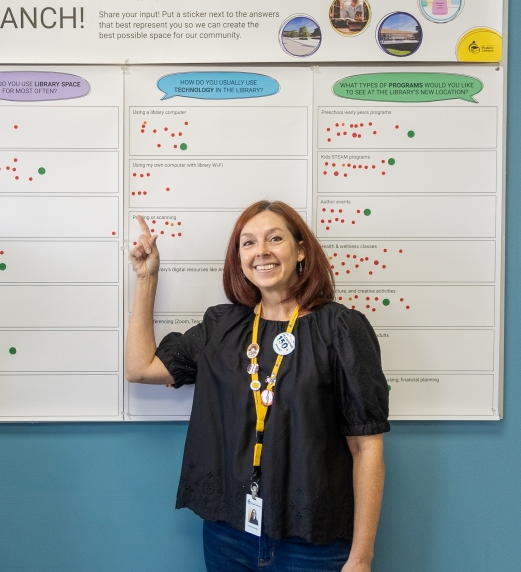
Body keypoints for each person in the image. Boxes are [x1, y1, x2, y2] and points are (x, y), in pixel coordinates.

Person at [125, 201, 388, 572]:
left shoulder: (341, 328)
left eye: (274, 238)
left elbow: (367, 448)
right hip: (229, 535)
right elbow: (140, 368)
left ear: (300, 250)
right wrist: (147, 278)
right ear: (239, 259)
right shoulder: (223, 327)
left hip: (313, 543)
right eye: (248, 243)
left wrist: (361, 558)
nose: (260, 251)